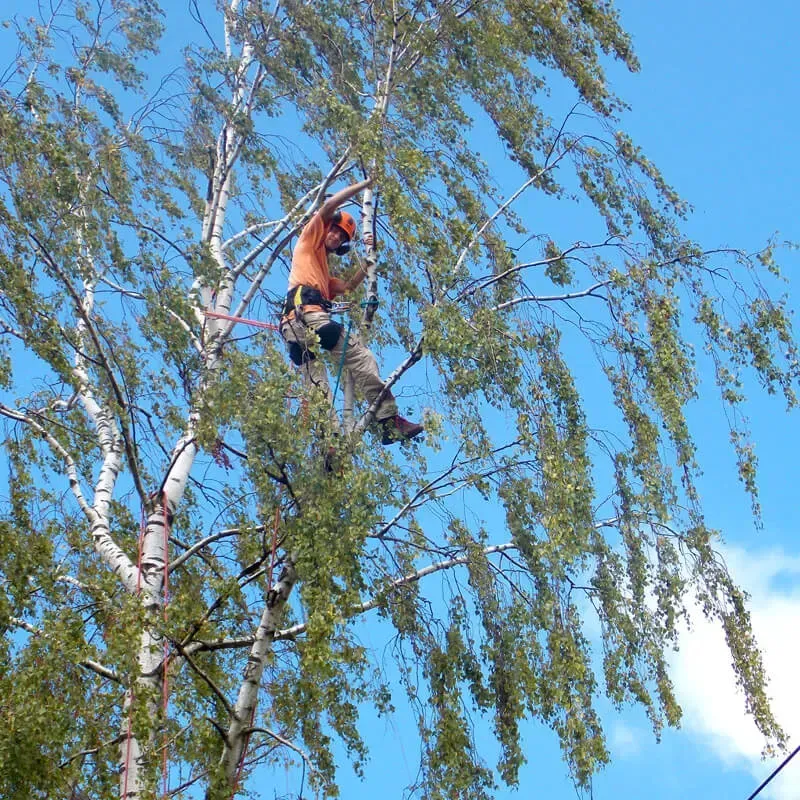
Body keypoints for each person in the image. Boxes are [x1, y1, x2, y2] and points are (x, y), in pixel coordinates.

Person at [279, 177, 423, 445]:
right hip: (305, 317)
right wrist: (365, 185)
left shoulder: (323, 274)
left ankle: (330, 442)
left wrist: (368, 262)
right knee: (359, 355)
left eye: (341, 238)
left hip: (295, 324)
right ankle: (388, 419)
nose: (335, 238)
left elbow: (347, 287)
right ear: (327, 228)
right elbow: (331, 203)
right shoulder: (309, 239)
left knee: (316, 383)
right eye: (334, 231)